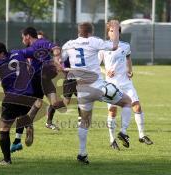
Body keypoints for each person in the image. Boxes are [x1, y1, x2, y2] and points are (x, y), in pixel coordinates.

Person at [61, 21, 132, 164]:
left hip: (82, 90)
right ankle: (123, 132)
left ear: (79, 32)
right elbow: (114, 45)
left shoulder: (69, 44)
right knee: (127, 102)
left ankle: (82, 153)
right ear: (90, 32)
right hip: (99, 87)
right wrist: (115, 29)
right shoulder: (93, 41)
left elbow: (60, 62)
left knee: (85, 122)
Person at [99, 22, 153, 150]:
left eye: (117, 31)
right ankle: (112, 139)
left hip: (126, 83)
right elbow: (95, 66)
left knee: (137, 106)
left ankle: (141, 135)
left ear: (120, 32)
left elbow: (128, 58)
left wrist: (130, 70)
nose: (114, 33)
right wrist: (105, 71)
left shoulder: (125, 46)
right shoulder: (103, 48)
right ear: (108, 33)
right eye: (111, 31)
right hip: (111, 85)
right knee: (112, 111)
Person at [10, 26, 66, 152]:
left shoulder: (40, 43)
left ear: (27, 36)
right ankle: (21, 135)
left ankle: (19, 138)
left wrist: (57, 60)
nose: (22, 39)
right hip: (43, 80)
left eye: (23, 37)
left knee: (22, 110)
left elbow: (56, 48)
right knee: (46, 104)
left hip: (38, 79)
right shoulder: (29, 50)